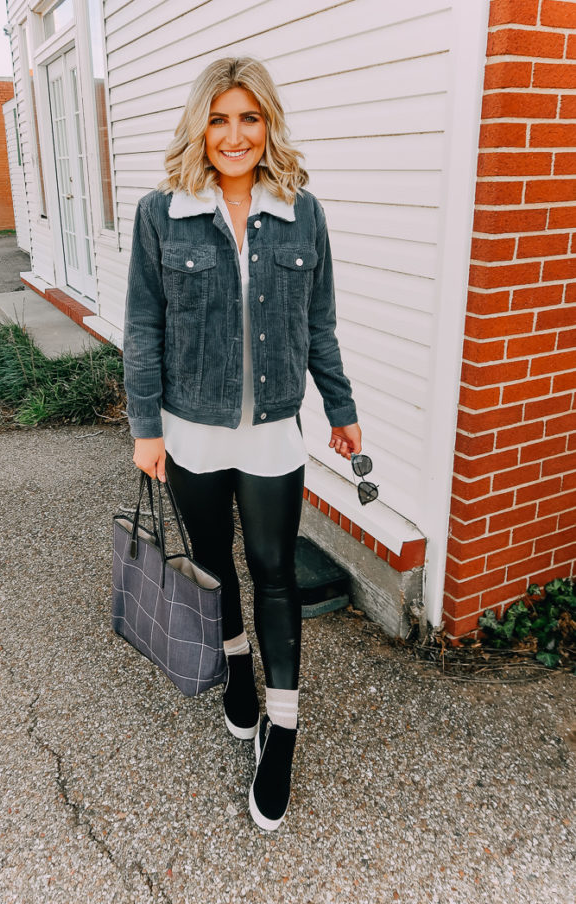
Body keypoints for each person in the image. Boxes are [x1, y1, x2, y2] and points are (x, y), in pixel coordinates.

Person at [123, 56, 361, 831]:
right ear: (201, 124)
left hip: (273, 435)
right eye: (219, 119)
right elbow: (143, 329)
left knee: (275, 573)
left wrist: (341, 406)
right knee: (216, 564)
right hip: (188, 429)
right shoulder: (163, 213)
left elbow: (317, 324)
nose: (234, 135)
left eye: (249, 118)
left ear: (268, 124)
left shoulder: (302, 211)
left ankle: (281, 732)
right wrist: (146, 426)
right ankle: (233, 673)